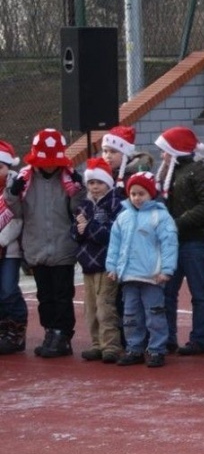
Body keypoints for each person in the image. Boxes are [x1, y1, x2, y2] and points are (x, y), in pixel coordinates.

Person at [3, 128, 86, 358]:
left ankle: (63, 334)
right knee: (45, 296)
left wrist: (78, 192)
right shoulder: (26, 180)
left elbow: (75, 210)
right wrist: (12, 194)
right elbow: (18, 212)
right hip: (37, 247)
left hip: (62, 248)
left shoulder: (67, 179)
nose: (49, 166)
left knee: (63, 294)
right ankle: (50, 331)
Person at [155, 126, 204, 355]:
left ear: (175, 149)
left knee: (199, 293)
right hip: (172, 242)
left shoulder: (199, 171)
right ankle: (167, 336)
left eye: (165, 150)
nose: (162, 155)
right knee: (166, 292)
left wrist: (176, 223)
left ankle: (200, 339)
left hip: (194, 241)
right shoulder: (168, 172)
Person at [107, 172, 178, 368]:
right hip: (129, 276)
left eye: (142, 194)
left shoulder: (161, 217)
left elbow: (169, 244)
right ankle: (134, 348)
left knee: (155, 314)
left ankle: (156, 349)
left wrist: (166, 269)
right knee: (130, 315)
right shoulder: (123, 217)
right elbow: (114, 245)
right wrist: (112, 267)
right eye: (133, 194)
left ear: (151, 194)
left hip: (152, 277)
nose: (137, 198)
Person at [71, 158, 125, 363]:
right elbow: (74, 231)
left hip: (106, 263)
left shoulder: (115, 203)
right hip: (87, 264)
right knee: (90, 307)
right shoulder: (83, 205)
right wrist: (78, 230)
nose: (94, 186)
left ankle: (111, 345)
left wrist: (89, 228)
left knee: (105, 306)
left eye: (99, 182)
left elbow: (113, 233)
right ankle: (96, 344)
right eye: (91, 182)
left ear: (108, 183)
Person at [0, 141, 28, 355]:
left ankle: (18, 326)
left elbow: (17, 220)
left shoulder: (16, 187)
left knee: (9, 289)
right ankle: (4, 329)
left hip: (9, 249)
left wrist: (1, 240)